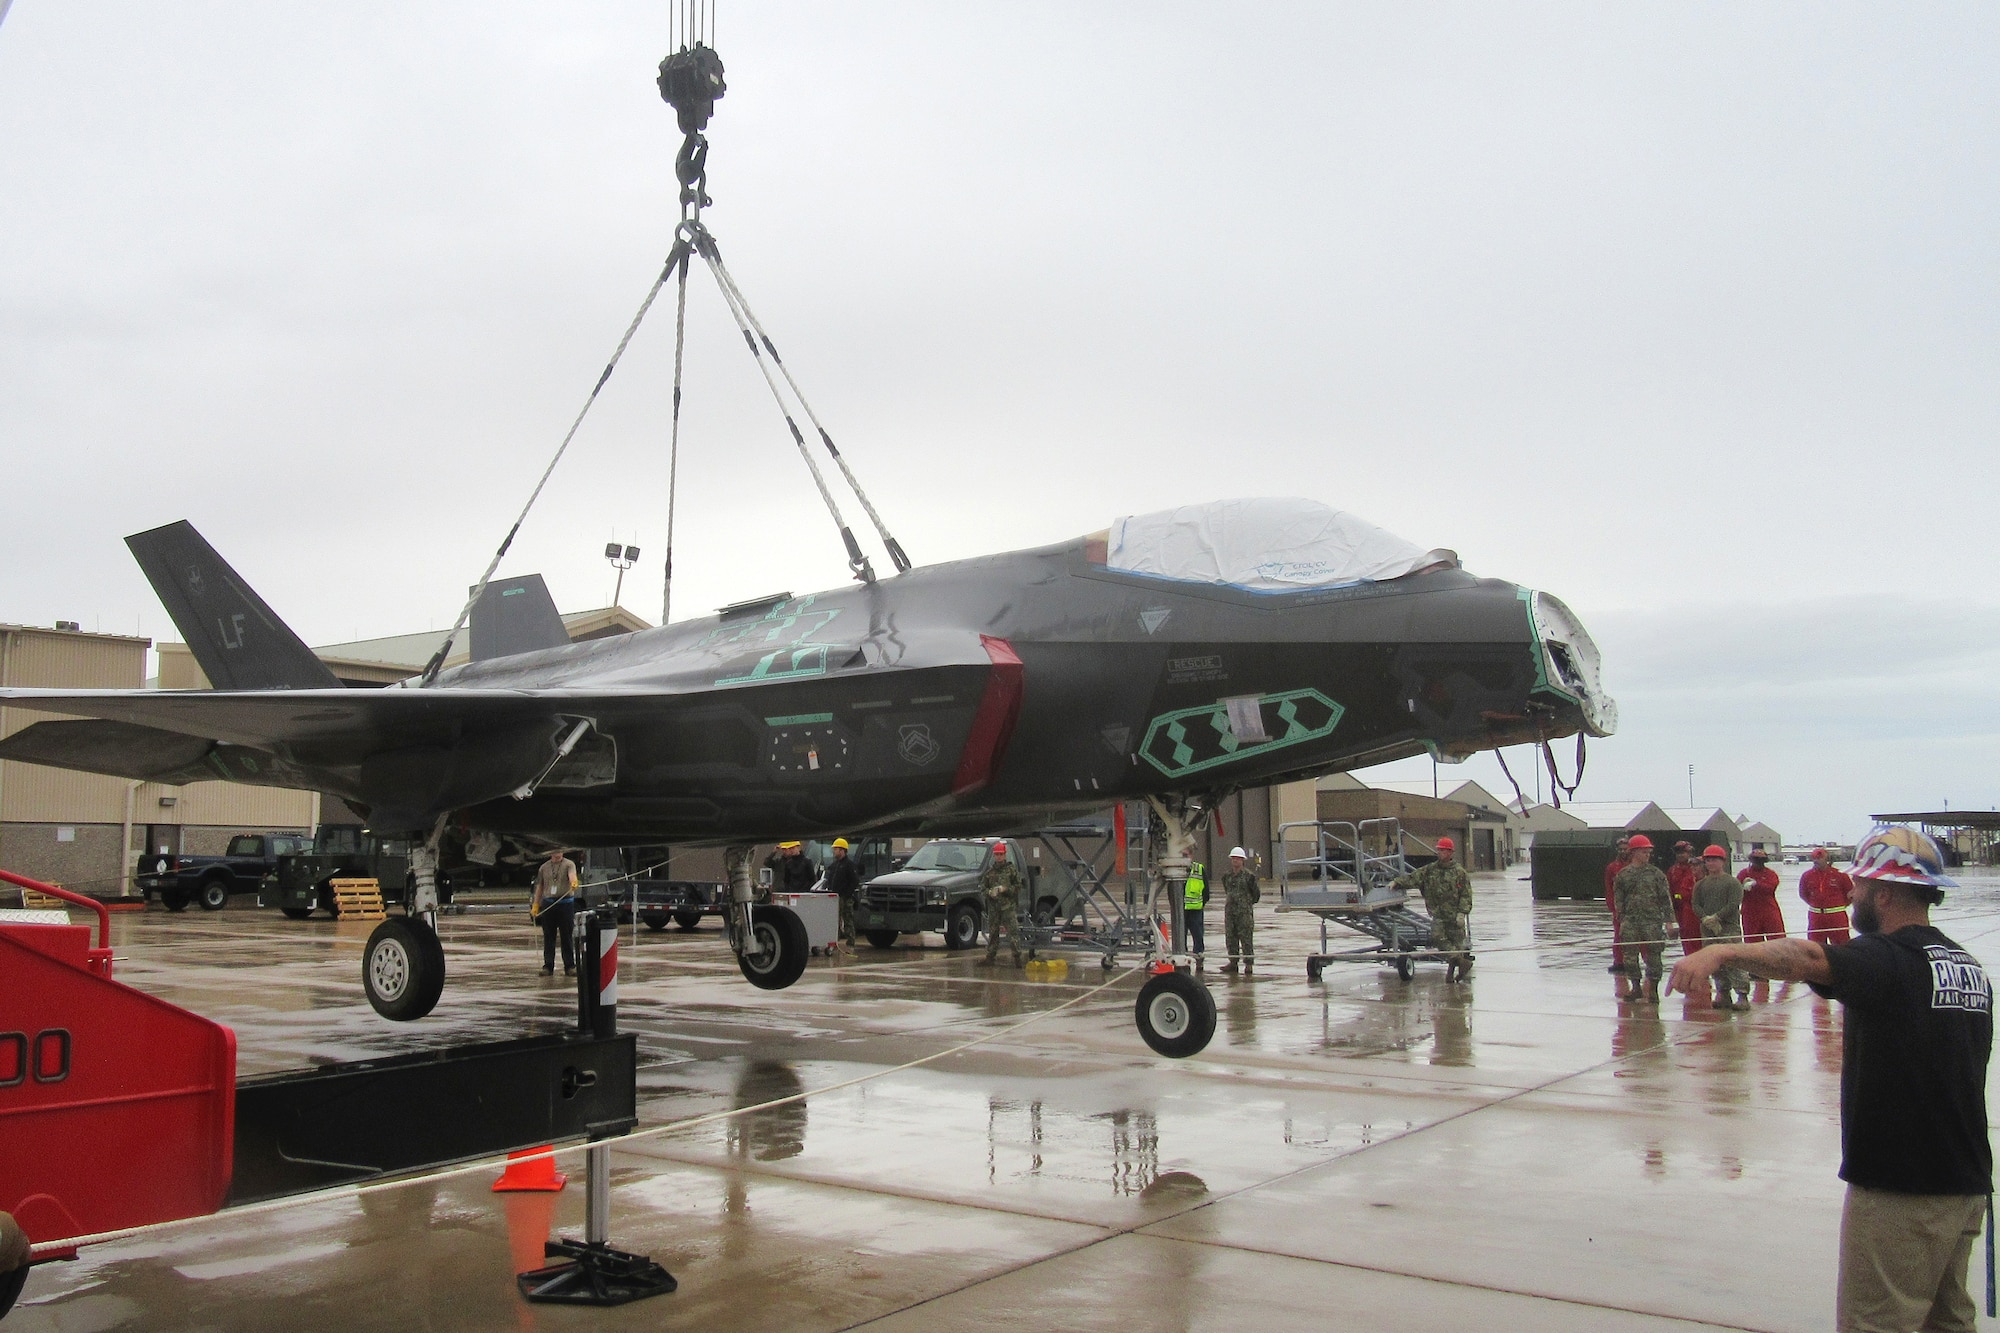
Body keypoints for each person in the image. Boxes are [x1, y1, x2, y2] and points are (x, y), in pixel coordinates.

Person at [1669, 826, 1990, 1332]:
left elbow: (1808, 957)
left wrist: (1722, 952)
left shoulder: (1888, 959)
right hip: (1963, 1184)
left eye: (1860, 885)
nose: (1853, 892)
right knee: (1947, 1323)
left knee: (1877, 1323)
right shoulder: (1967, 967)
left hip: (1901, 1188)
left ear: (1883, 893)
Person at [1395, 836, 1474, 981]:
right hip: (1438, 914)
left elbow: (1466, 894)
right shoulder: (1430, 870)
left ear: (1450, 853)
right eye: (1439, 850)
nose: (1440, 853)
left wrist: (1462, 913)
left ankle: (1452, 974)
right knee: (1438, 938)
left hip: (1455, 915)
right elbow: (1413, 878)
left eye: (1443, 850)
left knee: (1457, 945)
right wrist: (1396, 883)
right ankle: (1463, 963)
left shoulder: (1459, 872)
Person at [1612, 835, 1676, 1002]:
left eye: (1649, 852)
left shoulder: (1656, 874)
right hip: (1630, 921)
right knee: (1630, 957)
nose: (1647, 855)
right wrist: (1621, 917)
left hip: (1652, 921)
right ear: (1633, 852)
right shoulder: (1623, 875)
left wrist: (1670, 921)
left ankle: (1653, 989)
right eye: (1643, 852)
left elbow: (1665, 899)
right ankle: (1635, 987)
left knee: (1654, 956)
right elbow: (1618, 898)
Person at [1692, 845, 1750, 1010]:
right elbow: (1695, 904)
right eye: (1708, 860)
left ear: (1722, 861)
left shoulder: (1732, 883)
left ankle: (1742, 995)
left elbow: (1734, 903)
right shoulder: (1701, 884)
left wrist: (1717, 917)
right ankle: (1723, 993)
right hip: (1708, 930)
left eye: (1714, 860)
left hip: (1729, 930)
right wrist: (1705, 919)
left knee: (1734, 961)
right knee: (1715, 964)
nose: (1711, 863)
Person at [532, 849, 579, 977]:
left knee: (566, 936)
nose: (558, 853)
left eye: (560, 850)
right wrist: (536, 904)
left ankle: (570, 966)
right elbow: (540, 886)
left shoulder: (569, 864)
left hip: (565, 904)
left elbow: (572, 875)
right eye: (555, 851)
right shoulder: (544, 867)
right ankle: (548, 966)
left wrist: (573, 882)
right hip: (549, 903)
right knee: (549, 936)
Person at [977, 841, 1025, 968]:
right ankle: (990, 957)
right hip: (994, 908)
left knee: (1013, 932)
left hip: (1008, 907)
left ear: (1005, 855)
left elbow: (1019, 886)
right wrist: (989, 892)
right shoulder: (989, 872)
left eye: (1000, 854)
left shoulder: (1011, 870)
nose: (998, 857)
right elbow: (982, 888)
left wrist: (1006, 889)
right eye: (996, 854)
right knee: (993, 933)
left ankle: (1017, 958)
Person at [1219, 847, 1262, 975]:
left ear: (1243, 860)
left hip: (1244, 913)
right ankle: (1233, 962)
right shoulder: (1227, 876)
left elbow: (1256, 895)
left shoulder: (1249, 876)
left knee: (1246, 938)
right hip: (1230, 912)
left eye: (1238, 859)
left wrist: (1246, 904)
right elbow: (1227, 890)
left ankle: (1248, 964)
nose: (1235, 861)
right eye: (1233, 859)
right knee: (1231, 938)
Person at [1801, 847, 1856, 946]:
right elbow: (1803, 894)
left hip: (1837, 916)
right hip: (1816, 917)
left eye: (1819, 858)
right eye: (1814, 858)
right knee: (1815, 946)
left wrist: (1838, 905)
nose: (1816, 861)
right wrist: (1816, 904)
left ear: (1827, 859)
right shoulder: (1807, 876)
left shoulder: (1840, 875)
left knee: (1841, 945)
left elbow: (1850, 894)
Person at [822, 837, 862, 950]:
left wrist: (847, 895)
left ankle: (850, 942)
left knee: (847, 919)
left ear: (842, 850)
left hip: (845, 898)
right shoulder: (834, 865)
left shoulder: (849, 865)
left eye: (836, 849)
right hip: (834, 897)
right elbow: (829, 880)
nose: (834, 851)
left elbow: (854, 881)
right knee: (834, 920)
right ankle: (834, 942)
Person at [1738, 849, 1786, 943]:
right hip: (1750, 913)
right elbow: (1736, 893)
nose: (1758, 862)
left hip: (1769, 911)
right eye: (1756, 859)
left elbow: (1771, 888)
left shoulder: (1771, 874)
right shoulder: (1743, 874)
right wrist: (1742, 886)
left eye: (1761, 859)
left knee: (1778, 940)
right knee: (1752, 943)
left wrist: (1756, 884)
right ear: (1751, 860)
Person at [1666, 841, 1704, 956]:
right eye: (1678, 853)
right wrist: (1670, 920)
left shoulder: (1699, 868)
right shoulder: (1672, 871)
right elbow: (1668, 893)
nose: (1681, 855)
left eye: (1684, 852)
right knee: (1687, 941)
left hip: (1697, 910)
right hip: (1680, 910)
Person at [1604, 836, 1631, 974]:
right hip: (1619, 909)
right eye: (1620, 849)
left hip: (1635, 908)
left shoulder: (1636, 866)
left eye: (1625, 849)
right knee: (1619, 936)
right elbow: (1609, 888)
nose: (1623, 852)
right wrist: (1613, 907)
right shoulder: (1612, 867)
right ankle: (1619, 962)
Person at [1183, 855, 1208, 965]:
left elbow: (1206, 891)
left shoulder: (1199, 869)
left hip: (1195, 910)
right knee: (1180, 937)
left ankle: (1199, 959)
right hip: (1181, 910)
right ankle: (1183, 959)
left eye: (1186, 854)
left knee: (1198, 936)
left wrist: (1200, 904)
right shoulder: (1175, 870)